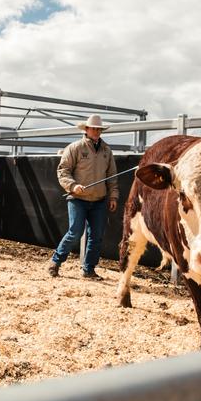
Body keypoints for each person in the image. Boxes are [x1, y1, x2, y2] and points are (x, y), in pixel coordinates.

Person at [48, 114, 118, 279]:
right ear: (86, 129)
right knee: (75, 232)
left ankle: (89, 269)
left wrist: (113, 197)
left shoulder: (107, 151)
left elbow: (112, 177)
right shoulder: (75, 148)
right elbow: (63, 170)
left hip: (99, 200)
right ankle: (56, 261)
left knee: (96, 236)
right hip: (77, 199)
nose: (96, 131)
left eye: (99, 129)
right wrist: (73, 186)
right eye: (93, 128)